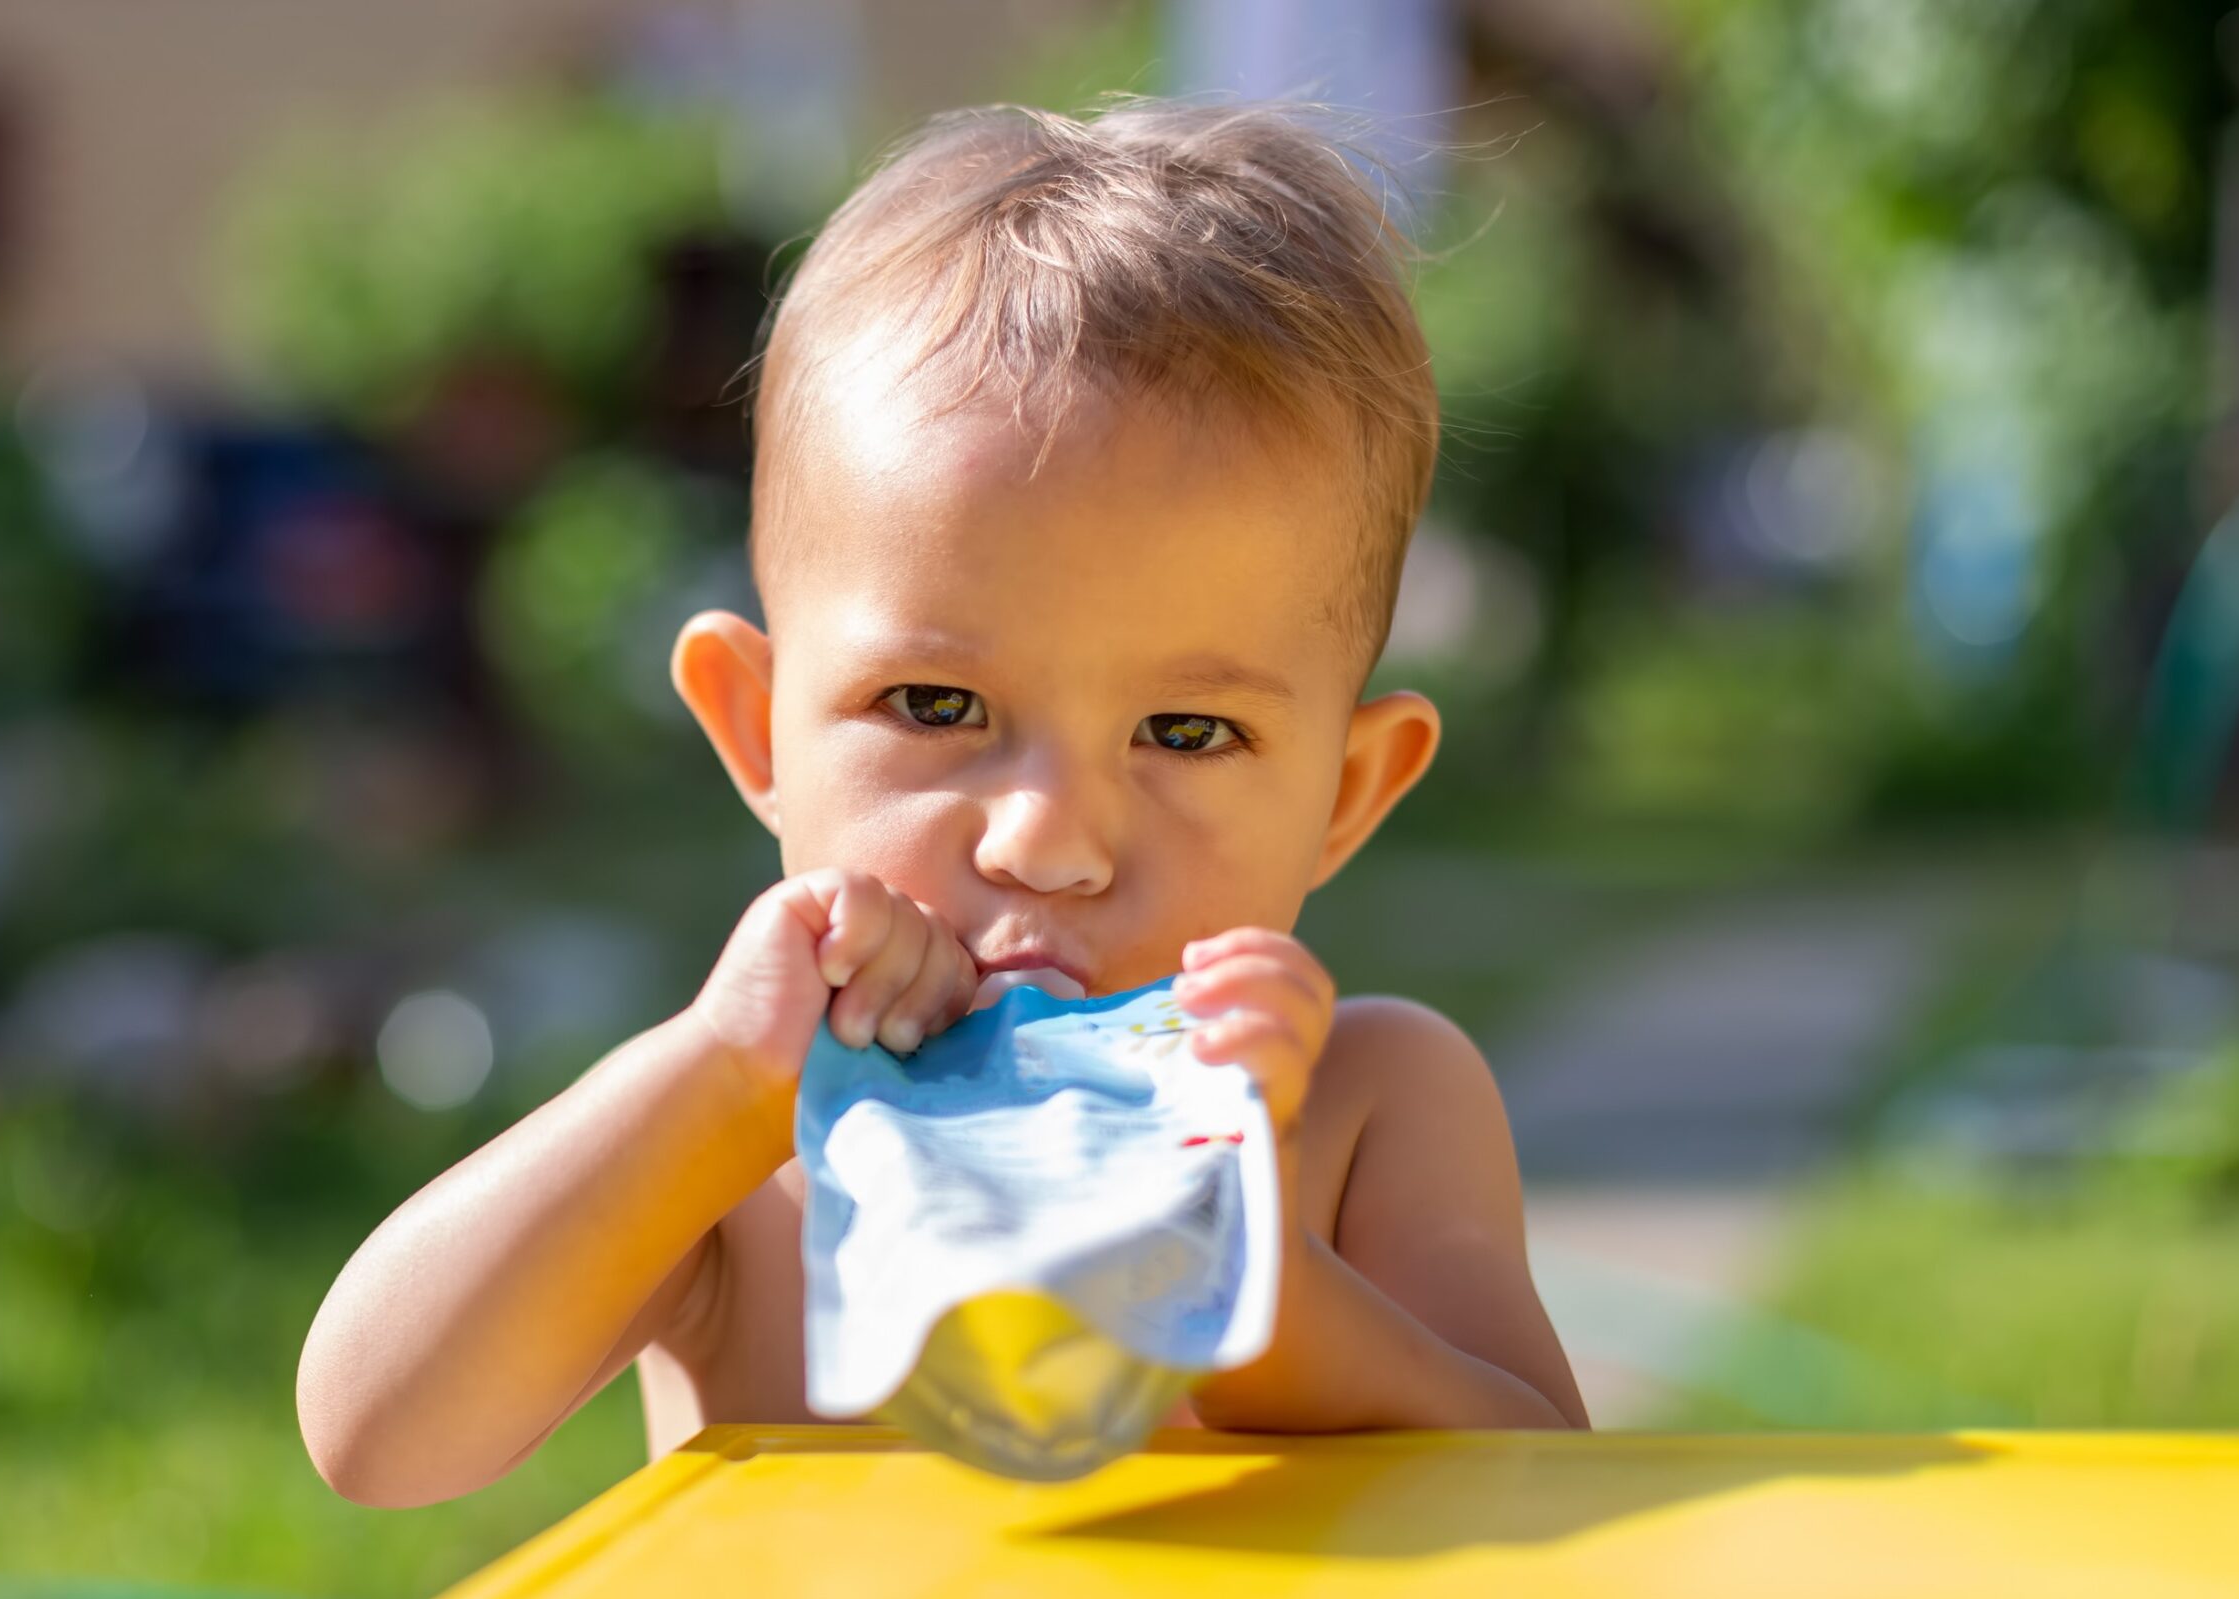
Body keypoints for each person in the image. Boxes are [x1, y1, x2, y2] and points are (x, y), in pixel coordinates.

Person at [297, 95, 1589, 1508]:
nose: (1048, 841)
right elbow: (376, 1435)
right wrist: (717, 1082)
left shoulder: (1368, 1107)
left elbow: (1545, 1481)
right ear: (758, 728)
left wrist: (1243, 1279)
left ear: (1344, 794)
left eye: (1186, 729)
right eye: (937, 707)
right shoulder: (749, 1151)